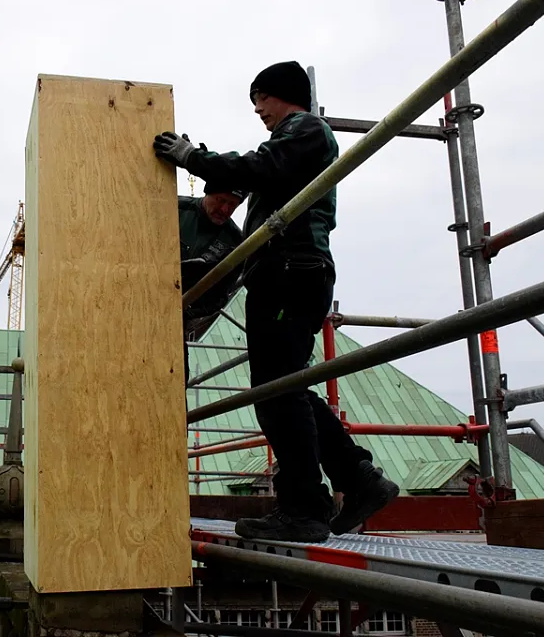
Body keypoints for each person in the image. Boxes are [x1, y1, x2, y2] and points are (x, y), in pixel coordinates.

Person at [153, 61, 399, 542]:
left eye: (260, 99)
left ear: (280, 94)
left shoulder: (305, 129)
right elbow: (259, 171)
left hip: (290, 272)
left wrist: (193, 158)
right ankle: (357, 478)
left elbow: (258, 166)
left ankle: (304, 509)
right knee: (286, 387)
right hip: (289, 273)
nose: (258, 110)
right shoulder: (295, 143)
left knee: (276, 393)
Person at [178, 182, 246, 385]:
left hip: (176, 321)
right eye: (221, 200)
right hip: (136, 304)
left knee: (176, 381)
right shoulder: (175, 209)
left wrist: (187, 311)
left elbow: (220, 297)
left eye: (232, 205)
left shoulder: (235, 242)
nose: (225, 209)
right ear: (208, 192)